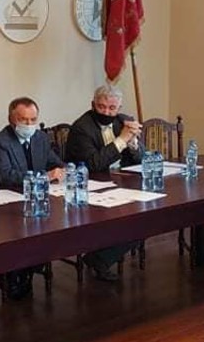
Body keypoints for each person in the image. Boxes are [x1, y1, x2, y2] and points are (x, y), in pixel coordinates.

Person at [0, 97, 65, 299]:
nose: (29, 125)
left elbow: (55, 163)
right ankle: (18, 274)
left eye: (33, 120)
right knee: (24, 230)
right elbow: (4, 175)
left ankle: (31, 267)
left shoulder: (40, 138)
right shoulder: (0, 141)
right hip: (8, 203)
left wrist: (63, 171)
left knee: (55, 222)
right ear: (11, 119)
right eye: (23, 120)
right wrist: (43, 176)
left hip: (37, 199)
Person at [65, 84, 143, 281]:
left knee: (148, 214)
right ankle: (100, 258)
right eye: (101, 107)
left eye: (112, 108)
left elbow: (142, 159)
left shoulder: (123, 121)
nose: (106, 112)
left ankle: (100, 256)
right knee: (129, 219)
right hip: (90, 187)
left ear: (119, 108)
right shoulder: (81, 127)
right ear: (93, 105)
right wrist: (122, 139)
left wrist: (133, 142)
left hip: (121, 182)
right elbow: (94, 165)